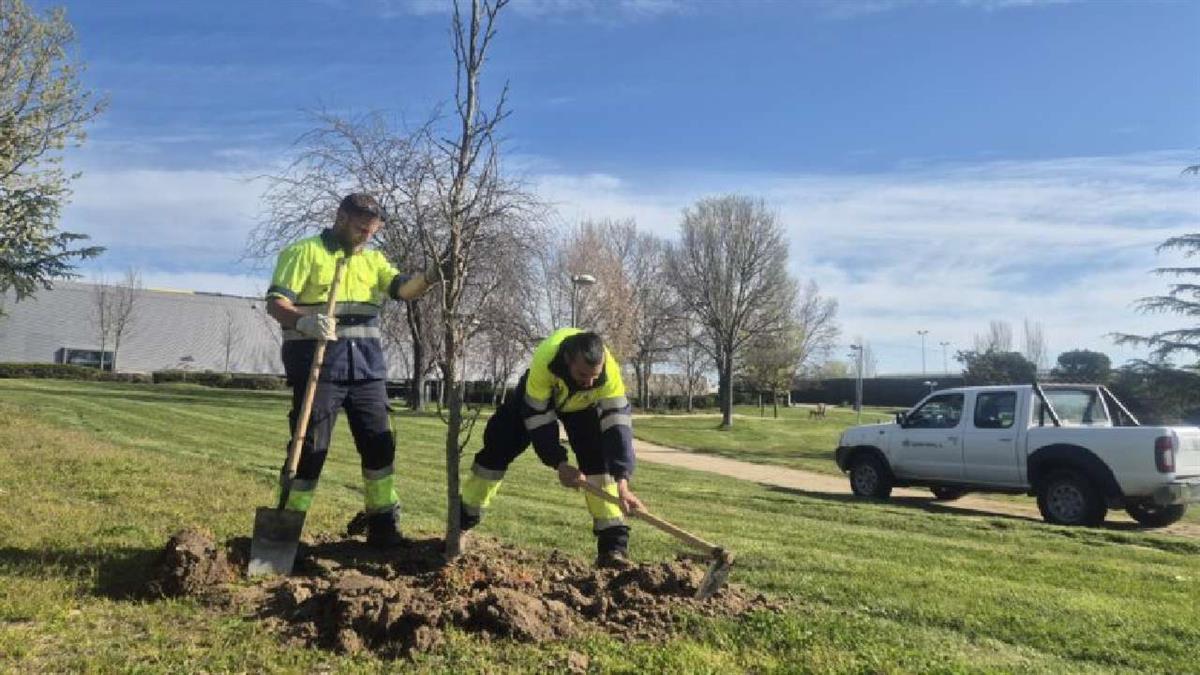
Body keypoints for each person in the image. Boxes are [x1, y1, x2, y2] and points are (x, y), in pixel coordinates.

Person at [265, 193, 438, 549]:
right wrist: (305, 321)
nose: (366, 237)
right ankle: (286, 532)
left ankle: (384, 527)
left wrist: (432, 276)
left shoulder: (373, 260)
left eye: (372, 231)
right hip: (319, 366)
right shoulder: (304, 252)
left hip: (367, 370)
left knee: (379, 446)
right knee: (309, 447)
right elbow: (276, 303)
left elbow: (403, 290)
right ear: (341, 218)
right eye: (361, 229)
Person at [459, 327, 645, 568]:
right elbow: (539, 419)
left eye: (594, 376)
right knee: (497, 448)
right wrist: (559, 463)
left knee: (600, 464)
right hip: (534, 401)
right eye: (582, 374)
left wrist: (622, 480)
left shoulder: (608, 374)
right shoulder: (545, 361)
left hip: (581, 408)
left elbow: (618, 426)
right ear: (568, 360)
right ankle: (462, 524)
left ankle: (613, 549)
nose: (589, 382)